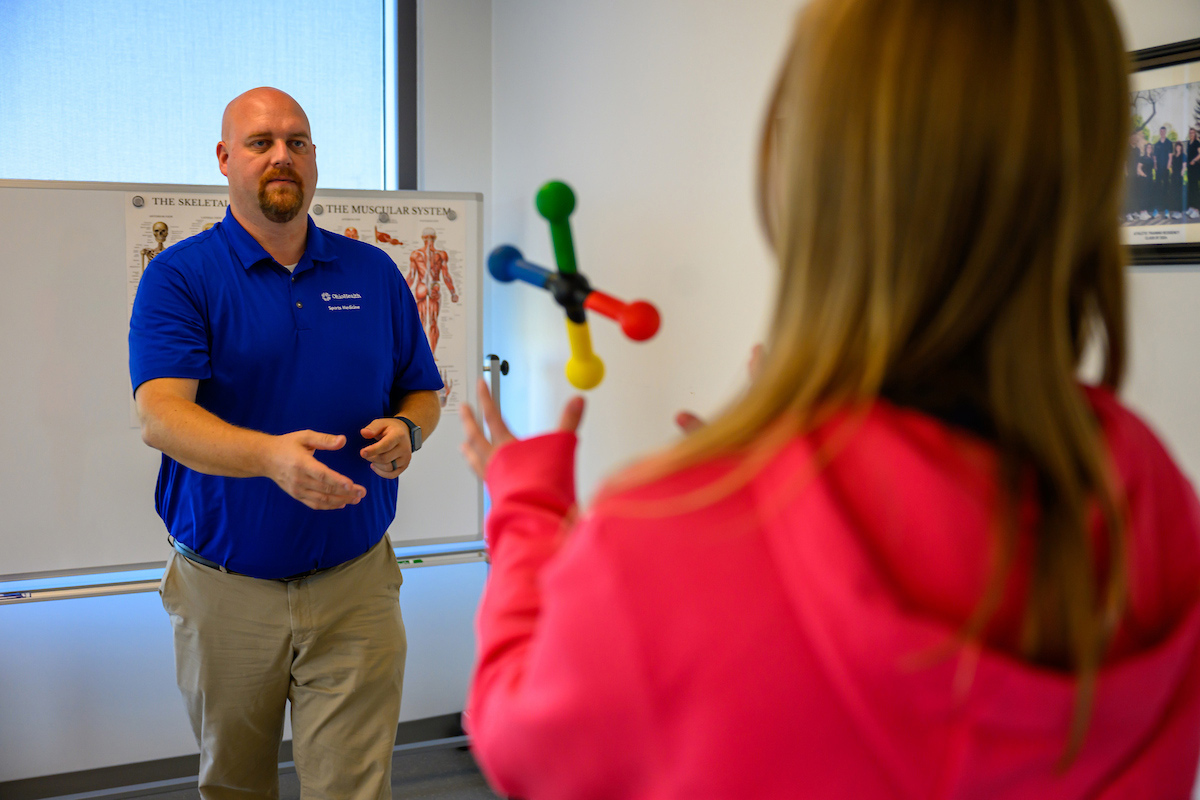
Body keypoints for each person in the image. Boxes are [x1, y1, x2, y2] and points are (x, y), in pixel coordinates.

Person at [458, 0, 1200, 797]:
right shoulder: (1145, 493)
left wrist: (531, 506)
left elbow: (515, 736)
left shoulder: (665, 539)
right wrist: (775, 484)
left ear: (803, 166)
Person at [128, 87, 442, 799]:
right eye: (261, 142)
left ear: (314, 161)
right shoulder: (181, 278)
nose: (282, 157)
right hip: (226, 591)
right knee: (236, 785)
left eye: (297, 142)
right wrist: (270, 457)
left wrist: (411, 429)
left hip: (357, 585)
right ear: (224, 158)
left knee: (354, 788)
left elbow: (421, 389)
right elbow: (163, 417)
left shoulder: (374, 274)